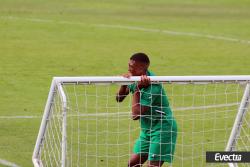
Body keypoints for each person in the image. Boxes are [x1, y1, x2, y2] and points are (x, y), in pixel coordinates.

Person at [116, 53, 177, 167]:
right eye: (129, 65)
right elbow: (119, 98)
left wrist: (137, 89)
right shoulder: (135, 77)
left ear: (141, 69)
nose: (129, 69)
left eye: (132, 67)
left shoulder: (153, 85)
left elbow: (135, 115)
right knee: (132, 164)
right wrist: (124, 85)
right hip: (147, 130)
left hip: (162, 129)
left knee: (152, 166)